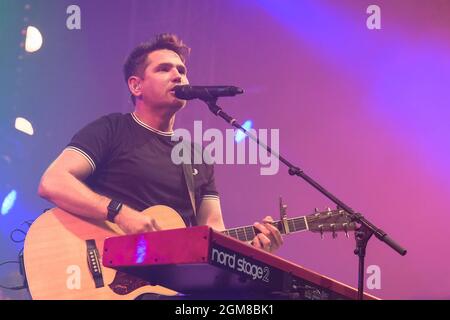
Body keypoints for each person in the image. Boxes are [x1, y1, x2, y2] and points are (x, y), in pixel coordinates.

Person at [37, 33, 282, 253]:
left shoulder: (196, 156)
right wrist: (119, 213)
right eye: (164, 69)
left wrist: (252, 249)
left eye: (182, 70)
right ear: (136, 85)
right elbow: (53, 182)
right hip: (101, 264)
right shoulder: (112, 129)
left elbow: (214, 232)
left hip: (165, 284)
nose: (178, 76)